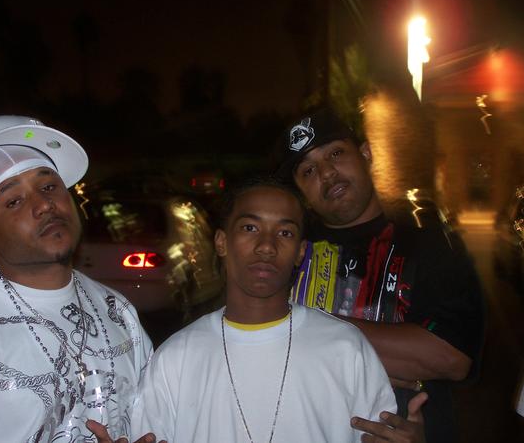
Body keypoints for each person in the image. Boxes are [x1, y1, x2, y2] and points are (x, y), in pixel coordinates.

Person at [91, 176, 398, 443]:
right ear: (221, 242)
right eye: (250, 228)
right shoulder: (176, 358)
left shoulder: (345, 347)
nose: (267, 246)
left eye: (285, 233)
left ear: (300, 252)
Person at [0, 116, 158, 443]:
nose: (44, 205)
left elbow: (152, 419)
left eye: (49, 187)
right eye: (14, 201)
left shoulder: (117, 311)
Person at [276, 108, 485, 443]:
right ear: (301, 191)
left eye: (335, 154)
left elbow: (451, 357)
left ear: (366, 153)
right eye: (308, 170)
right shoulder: (288, 252)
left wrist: (300, 327)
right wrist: (384, 356)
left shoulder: (427, 241)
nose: (327, 173)